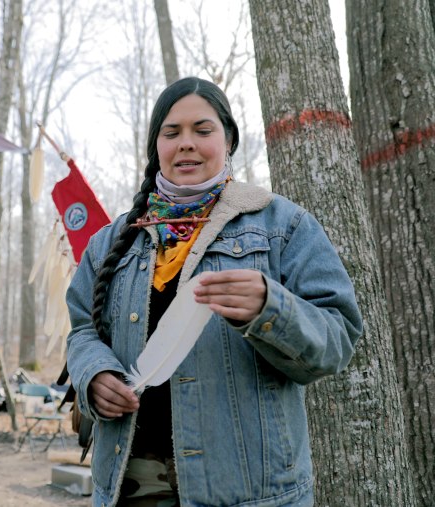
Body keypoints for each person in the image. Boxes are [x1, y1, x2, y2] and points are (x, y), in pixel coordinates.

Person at [65, 77, 363, 506]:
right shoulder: (110, 241)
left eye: (202, 131)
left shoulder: (282, 226)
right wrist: (93, 375)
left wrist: (270, 308)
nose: (186, 143)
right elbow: (81, 330)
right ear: (157, 148)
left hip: (248, 493)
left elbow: (338, 339)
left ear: (228, 141)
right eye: (172, 133)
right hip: (129, 488)